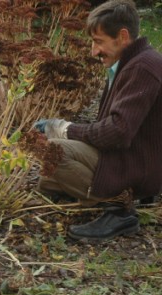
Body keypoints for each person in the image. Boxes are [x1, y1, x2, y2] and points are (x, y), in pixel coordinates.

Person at [34, 0, 162, 242]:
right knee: (47, 175)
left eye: (99, 41)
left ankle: (120, 210)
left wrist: (65, 129)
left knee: (53, 151)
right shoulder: (131, 63)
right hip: (129, 157)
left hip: (137, 166)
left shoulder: (142, 68)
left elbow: (118, 132)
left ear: (122, 36)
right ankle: (86, 191)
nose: (93, 51)